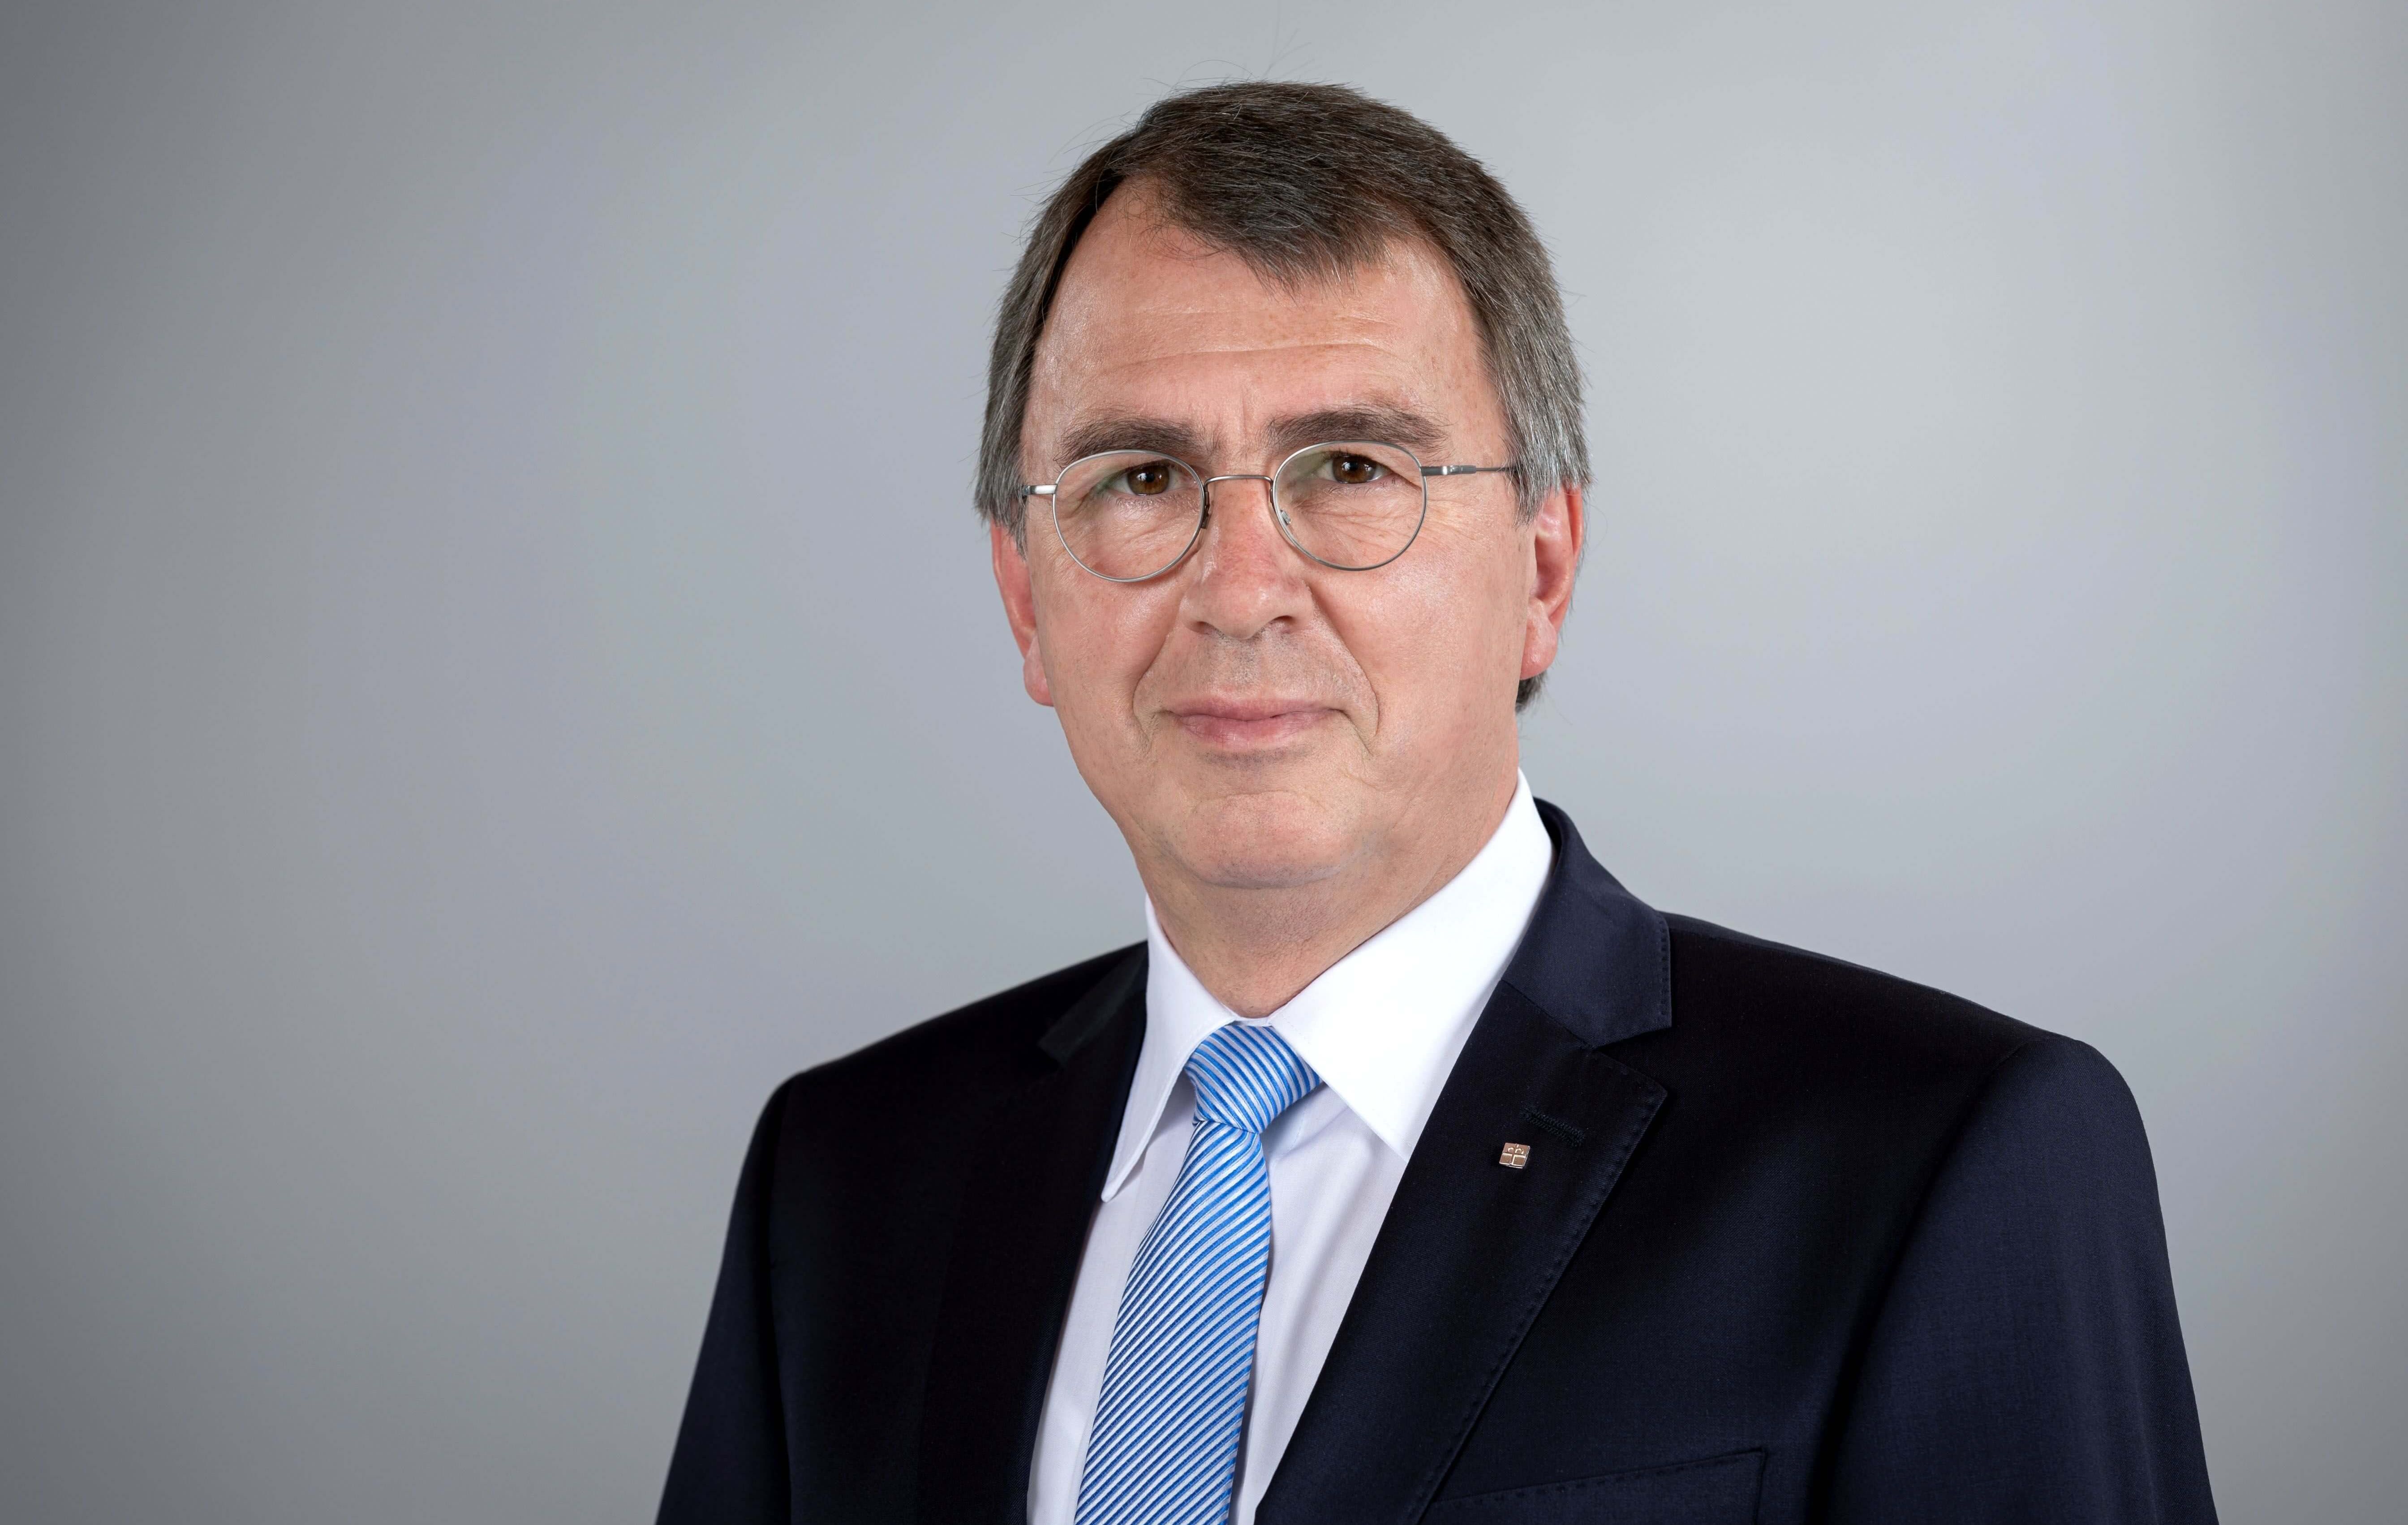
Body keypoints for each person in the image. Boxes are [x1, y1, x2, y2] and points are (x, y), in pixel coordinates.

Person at [657, 82, 2216, 1525]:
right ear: (1024, 595)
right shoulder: (846, 1178)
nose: (1240, 590)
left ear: (1543, 568)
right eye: (1139, 478)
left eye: (1351, 468)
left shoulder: (1935, 1161)